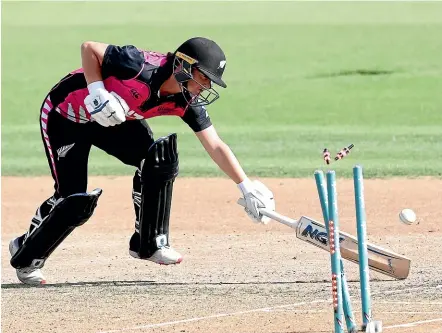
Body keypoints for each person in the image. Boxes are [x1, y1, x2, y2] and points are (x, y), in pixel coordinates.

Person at [9, 37, 275, 285]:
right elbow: (89, 48)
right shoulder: (137, 65)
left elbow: (215, 145)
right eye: (203, 78)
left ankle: (148, 244)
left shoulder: (186, 100)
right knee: (72, 199)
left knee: (158, 161)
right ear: (183, 66)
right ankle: (26, 251)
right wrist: (98, 91)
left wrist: (246, 187)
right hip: (66, 116)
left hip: (113, 122)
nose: (204, 87)